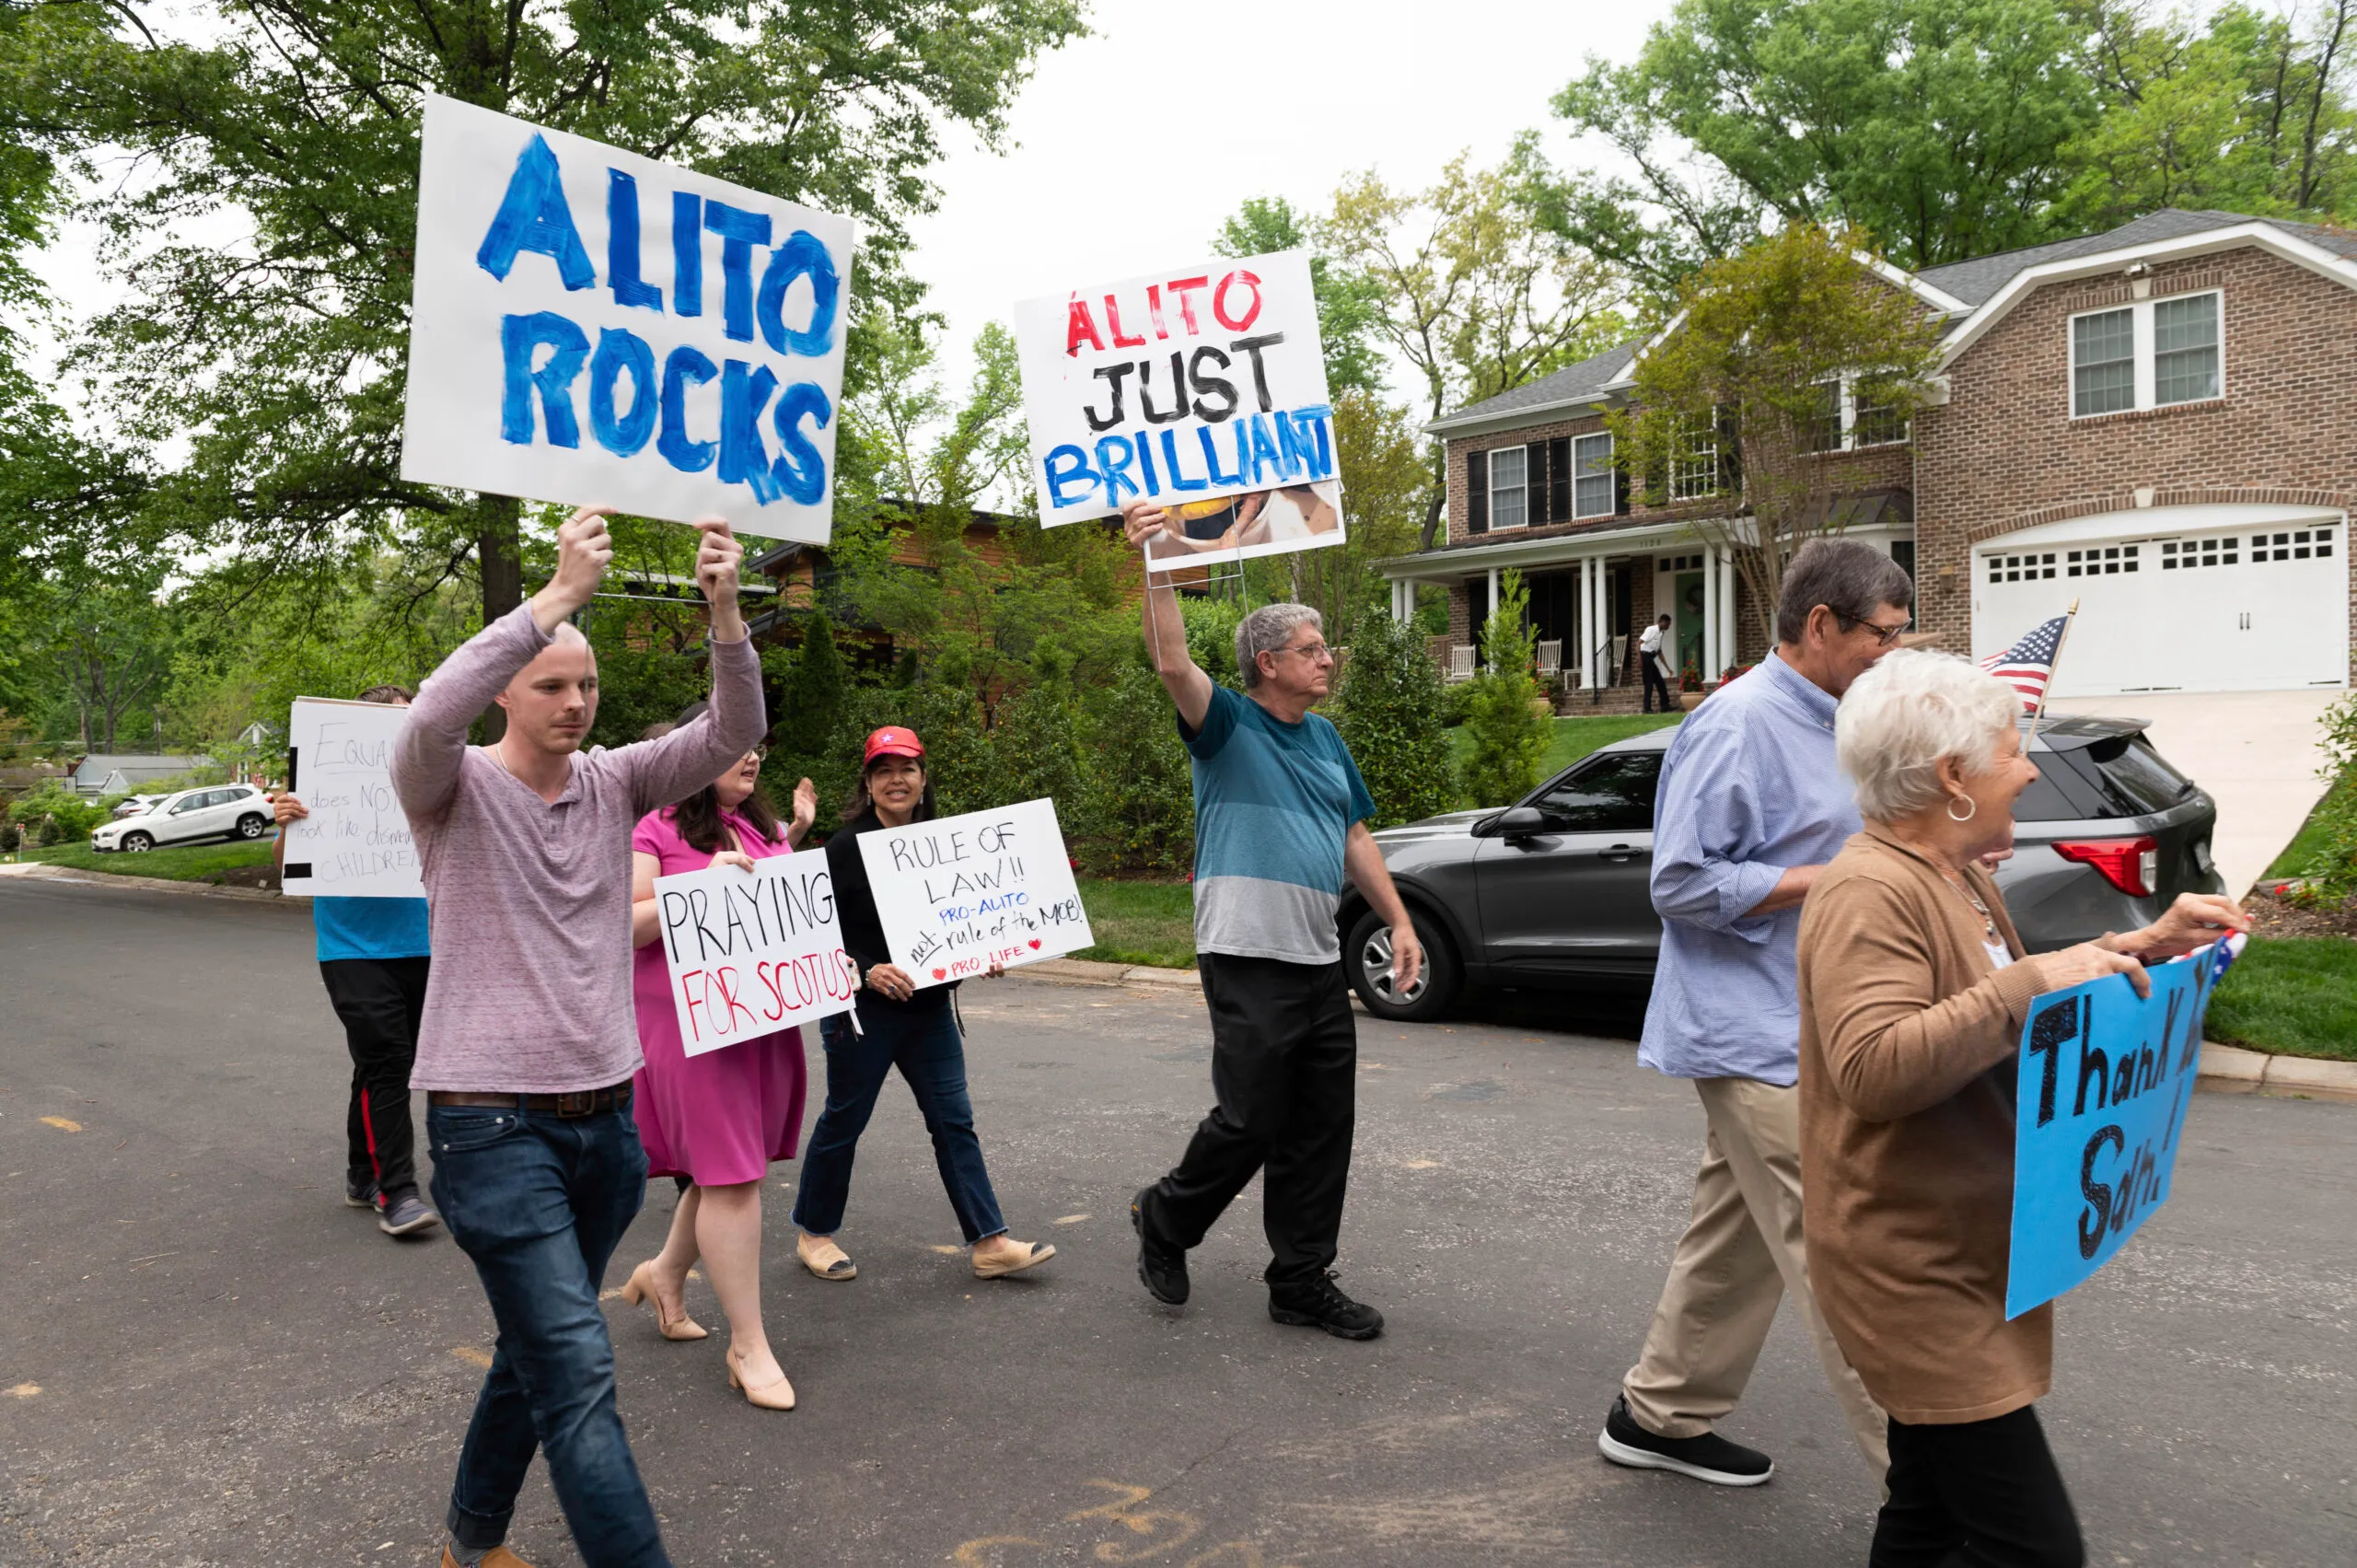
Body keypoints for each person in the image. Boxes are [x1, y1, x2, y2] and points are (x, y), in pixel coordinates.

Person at [1798, 649, 2247, 1565]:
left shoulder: (1952, 869)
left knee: (1925, 1507)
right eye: (2013, 749)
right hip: (1910, 1266)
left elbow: (2002, 993)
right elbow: (1873, 1068)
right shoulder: (1867, 888)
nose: (2031, 766)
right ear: (1953, 777)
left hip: (1962, 1248)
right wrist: (2039, 977)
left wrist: (2140, 944)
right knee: (2033, 1548)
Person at [392, 505, 763, 1568]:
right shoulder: (449, 788)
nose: (573, 700)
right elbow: (425, 719)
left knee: (536, 1348)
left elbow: (731, 733)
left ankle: (473, 1532)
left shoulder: (616, 782)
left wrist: (725, 609)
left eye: (585, 683)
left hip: (607, 1125)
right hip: (489, 1128)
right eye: (551, 681)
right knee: (578, 1370)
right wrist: (553, 601)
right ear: (506, 687)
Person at [1598, 539, 1910, 1488]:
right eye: (1881, 636)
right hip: (1752, 1033)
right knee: (1847, 1249)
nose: (1891, 655)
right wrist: (1841, 874)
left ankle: (1659, 1411)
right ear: (1819, 625)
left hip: (1818, 1018)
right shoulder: (1734, 723)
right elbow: (1681, 881)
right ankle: (1945, 1492)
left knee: (1736, 1232)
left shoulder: (1850, 719)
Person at [1118, 498, 1423, 1341]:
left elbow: (1352, 831)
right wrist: (1155, 562)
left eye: (1325, 647)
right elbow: (1173, 661)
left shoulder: (1325, 738)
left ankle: (1299, 1278)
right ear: (1267, 662)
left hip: (1317, 957)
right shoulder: (1225, 724)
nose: (1328, 659)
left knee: (1323, 1124)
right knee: (1250, 1117)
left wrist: (1397, 920)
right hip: (1246, 951)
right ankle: (1166, 1217)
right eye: (1312, 649)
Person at [787, 726, 1057, 1283]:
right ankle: (814, 1234)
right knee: (845, 1120)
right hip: (862, 1015)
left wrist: (986, 947)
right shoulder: (843, 847)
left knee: (953, 1122)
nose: (896, 780)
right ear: (868, 782)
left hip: (929, 1012)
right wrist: (864, 971)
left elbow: (962, 920)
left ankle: (990, 1242)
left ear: (923, 778)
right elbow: (812, 932)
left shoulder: (944, 844)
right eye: (883, 770)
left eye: (906, 769)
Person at [614, 711, 818, 1412]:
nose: (753, 757)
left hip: (757, 1021)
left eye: (758, 745)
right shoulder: (653, 828)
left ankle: (666, 1275)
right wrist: (696, 886)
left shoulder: (765, 831)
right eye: (736, 747)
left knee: (729, 1165)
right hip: (688, 1027)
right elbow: (622, 923)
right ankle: (749, 1344)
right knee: (732, 1176)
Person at [271, 684, 439, 1238]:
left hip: (428, 943)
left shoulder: (430, 781)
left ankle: (361, 1174)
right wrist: (286, 826)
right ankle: (399, 1191)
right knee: (389, 1060)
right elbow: (288, 867)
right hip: (354, 949)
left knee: (385, 1063)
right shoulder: (324, 778)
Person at [1640, 613, 1675, 713]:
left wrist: (1668, 669)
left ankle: (1665, 706)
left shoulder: (1661, 633)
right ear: (1663, 622)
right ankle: (1646, 708)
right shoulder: (1651, 629)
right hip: (1645, 657)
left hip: (1651, 658)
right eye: (1668, 624)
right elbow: (1638, 643)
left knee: (1660, 682)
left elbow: (1659, 652)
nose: (1669, 626)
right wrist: (1640, 660)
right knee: (1649, 683)